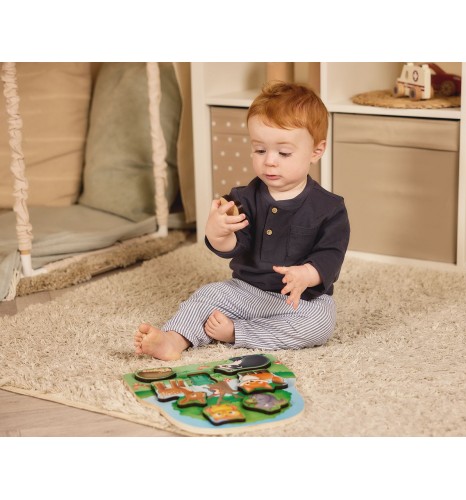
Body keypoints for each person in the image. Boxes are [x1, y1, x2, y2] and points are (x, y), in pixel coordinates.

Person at [134, 81, 350, 361]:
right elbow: (231, 246)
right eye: (260, 150)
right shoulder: (242, 199)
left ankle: (237, 332)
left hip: (299, 299)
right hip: (245, 291)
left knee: (320, 324)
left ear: (316, 151)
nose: (269, 161)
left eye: (284, 153)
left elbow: (331, 255)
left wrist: (306, 275)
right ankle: (173, 340)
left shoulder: (330, 208)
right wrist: (218, 231)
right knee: (207, 295)